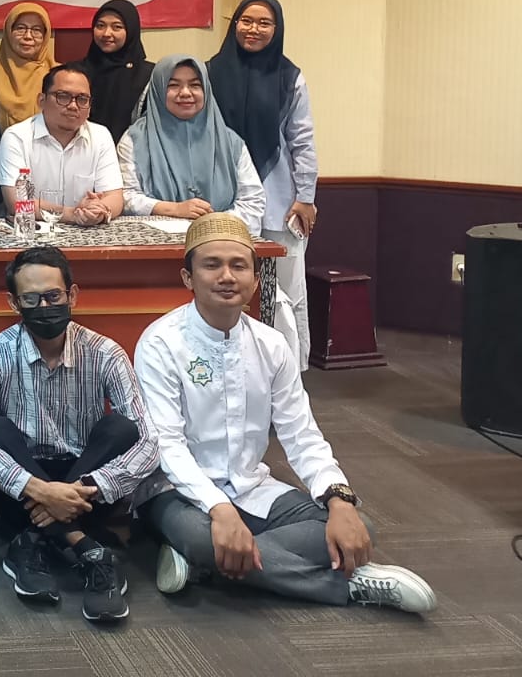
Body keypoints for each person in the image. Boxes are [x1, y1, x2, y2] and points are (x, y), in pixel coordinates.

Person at [134, 214, 435, 614]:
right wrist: (219, 510)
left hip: (251, 486)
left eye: (239, 266)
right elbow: (167, 446)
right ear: (188, 277)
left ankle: (207, 565)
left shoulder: (272, 344)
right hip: (176, 492)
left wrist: (339, 500)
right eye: (212, 265)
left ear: (255, 278)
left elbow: (301, 434)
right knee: (203, 538)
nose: (227, 276)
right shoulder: (161, 343)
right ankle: (349, 588)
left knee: (357, 527)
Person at [0, 245, 159, 622]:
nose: (44, 306)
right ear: (13, 303)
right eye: (31, 299)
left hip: (87, 489)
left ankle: (31, 542)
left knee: (121, 428)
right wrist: (41, 490)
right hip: (23, 488)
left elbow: (148, 441)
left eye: (53, 296)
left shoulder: (106, 353)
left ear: (72, 295)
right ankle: (87, 548)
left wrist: (84, 488)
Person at [208, 0, 318, 369]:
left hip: (279, 201)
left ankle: (290, 370)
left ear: (277, 29)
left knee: (286, 291)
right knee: (224, 288)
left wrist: (306, 197)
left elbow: (302, 141)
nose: (253, 29)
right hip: (223, 198)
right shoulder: (210, 73)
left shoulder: (290, 78)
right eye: (246, 21)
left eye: (264, 23)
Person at [116, 56, 265, 230]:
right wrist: (174, 209)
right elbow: (125, 196)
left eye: (195, 85)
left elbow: (252, 201)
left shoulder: (230, 142)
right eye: (173, 85)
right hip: (155, 240)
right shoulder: (135, 139)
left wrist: (211, 225)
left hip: (220, 238)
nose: (186, 93)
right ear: (158, 89)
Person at [0, 65, 125, 225]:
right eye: (63, 97)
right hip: (33, 232)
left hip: (84, 231)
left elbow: (115, 197)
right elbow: (16, 202)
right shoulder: (17, 136)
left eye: (82, 99)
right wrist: (72, 214)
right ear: (41, 101)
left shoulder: (100, 136)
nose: (73, 106)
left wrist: (98, 211)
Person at [82, 0, 154, 141]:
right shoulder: (76, 72)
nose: (106, 33)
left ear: (131, 30)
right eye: (100, 26)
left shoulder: (149, 75)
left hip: (133, 151)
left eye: (117, 27)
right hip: (84, 149)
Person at [0, 2, 56, 133]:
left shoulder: (58, 74)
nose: (28, 36)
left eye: (36, 30)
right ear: (8, 32)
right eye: (20, 28)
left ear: (45, 36)